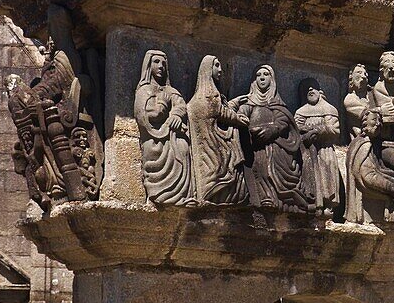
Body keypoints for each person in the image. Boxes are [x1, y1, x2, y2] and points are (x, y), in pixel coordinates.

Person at [230, 65, 311, 212]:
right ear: (254, 80)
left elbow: (283, 122)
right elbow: (241, 114)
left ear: (272, 79)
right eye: (258, 75)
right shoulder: (248, 103)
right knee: (261, 168)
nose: (261, 77)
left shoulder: (278, 104)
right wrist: (242, 118)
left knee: (272, 167)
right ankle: (266, 197)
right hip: (256, 146)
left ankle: (281, 197)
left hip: (275, 147)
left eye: (266, 74)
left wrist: (272, 130)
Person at [133, 50, 194, 206]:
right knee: (152, 152)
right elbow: (148, 116)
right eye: (156, 62)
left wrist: (176, 116)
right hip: (154, 139)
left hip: (172, 137)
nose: (161, 66)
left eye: (164, 64)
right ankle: (158, 194)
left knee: (183, 147)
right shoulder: (144, 91)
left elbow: (180, 104)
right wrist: (163, 105)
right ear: (148, 65)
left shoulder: (170, 90)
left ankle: (181, 195)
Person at [187, 56, 249, 205]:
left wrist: (233, 105)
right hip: (212, 142)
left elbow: (219, 110)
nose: (220, 70)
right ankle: (218, 196)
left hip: (208, 142)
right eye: (216, 66)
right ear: (208, 70)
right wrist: (237, 119)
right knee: (219, 170)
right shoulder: (208, 94)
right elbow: (218, 112)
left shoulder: (203, 95)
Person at [294, 79, 342, 216]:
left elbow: (335, 131)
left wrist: (317, 131)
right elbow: (295, 131)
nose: (310, 90)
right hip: (307, 151)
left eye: (313, 88)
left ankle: (328, 206)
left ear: (320, 91)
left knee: (327, 175)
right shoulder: (300, 112)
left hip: (325, 150)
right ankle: (311, 203)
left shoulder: (329, 109)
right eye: (306, 89)